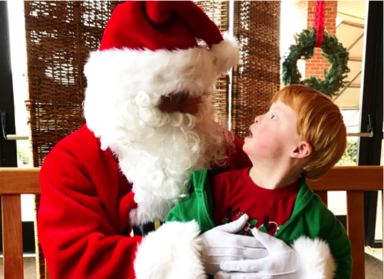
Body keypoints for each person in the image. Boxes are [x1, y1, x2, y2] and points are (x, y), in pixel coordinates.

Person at [37, 0, 336, 278]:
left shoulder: (221, 148)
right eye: (178, 97)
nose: (193, 110)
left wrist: (299, 264)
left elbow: (281, 202)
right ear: (131, 99)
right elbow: (77, 262)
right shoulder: (72, 162)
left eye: (199, 95)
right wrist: (192, 255)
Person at [167, 85, 352, 279]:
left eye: (274, 116)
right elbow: (169, 237)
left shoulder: (316, 218)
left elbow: (341, 262)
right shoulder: (213, 190)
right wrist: (196, 250)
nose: (258, 117)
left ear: (299, 150)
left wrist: (308, 272)